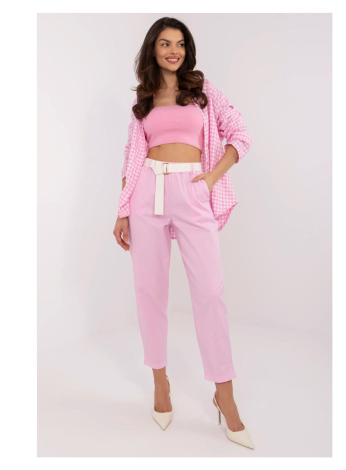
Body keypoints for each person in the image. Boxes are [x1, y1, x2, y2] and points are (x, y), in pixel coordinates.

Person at [113, 17, 254, 449]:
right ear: (152, 50)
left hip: (193, 190)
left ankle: (224, 396)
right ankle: (161, 383)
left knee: (210, 292)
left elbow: (240, 134)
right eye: (164, 43)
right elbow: (132, 156)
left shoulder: (203, 90)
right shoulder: (143, 100)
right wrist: (122, 210)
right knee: (149, 291)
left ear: (187, 50)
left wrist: (211, 178)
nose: (172, 50)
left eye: (179, 43)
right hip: (146, 193)